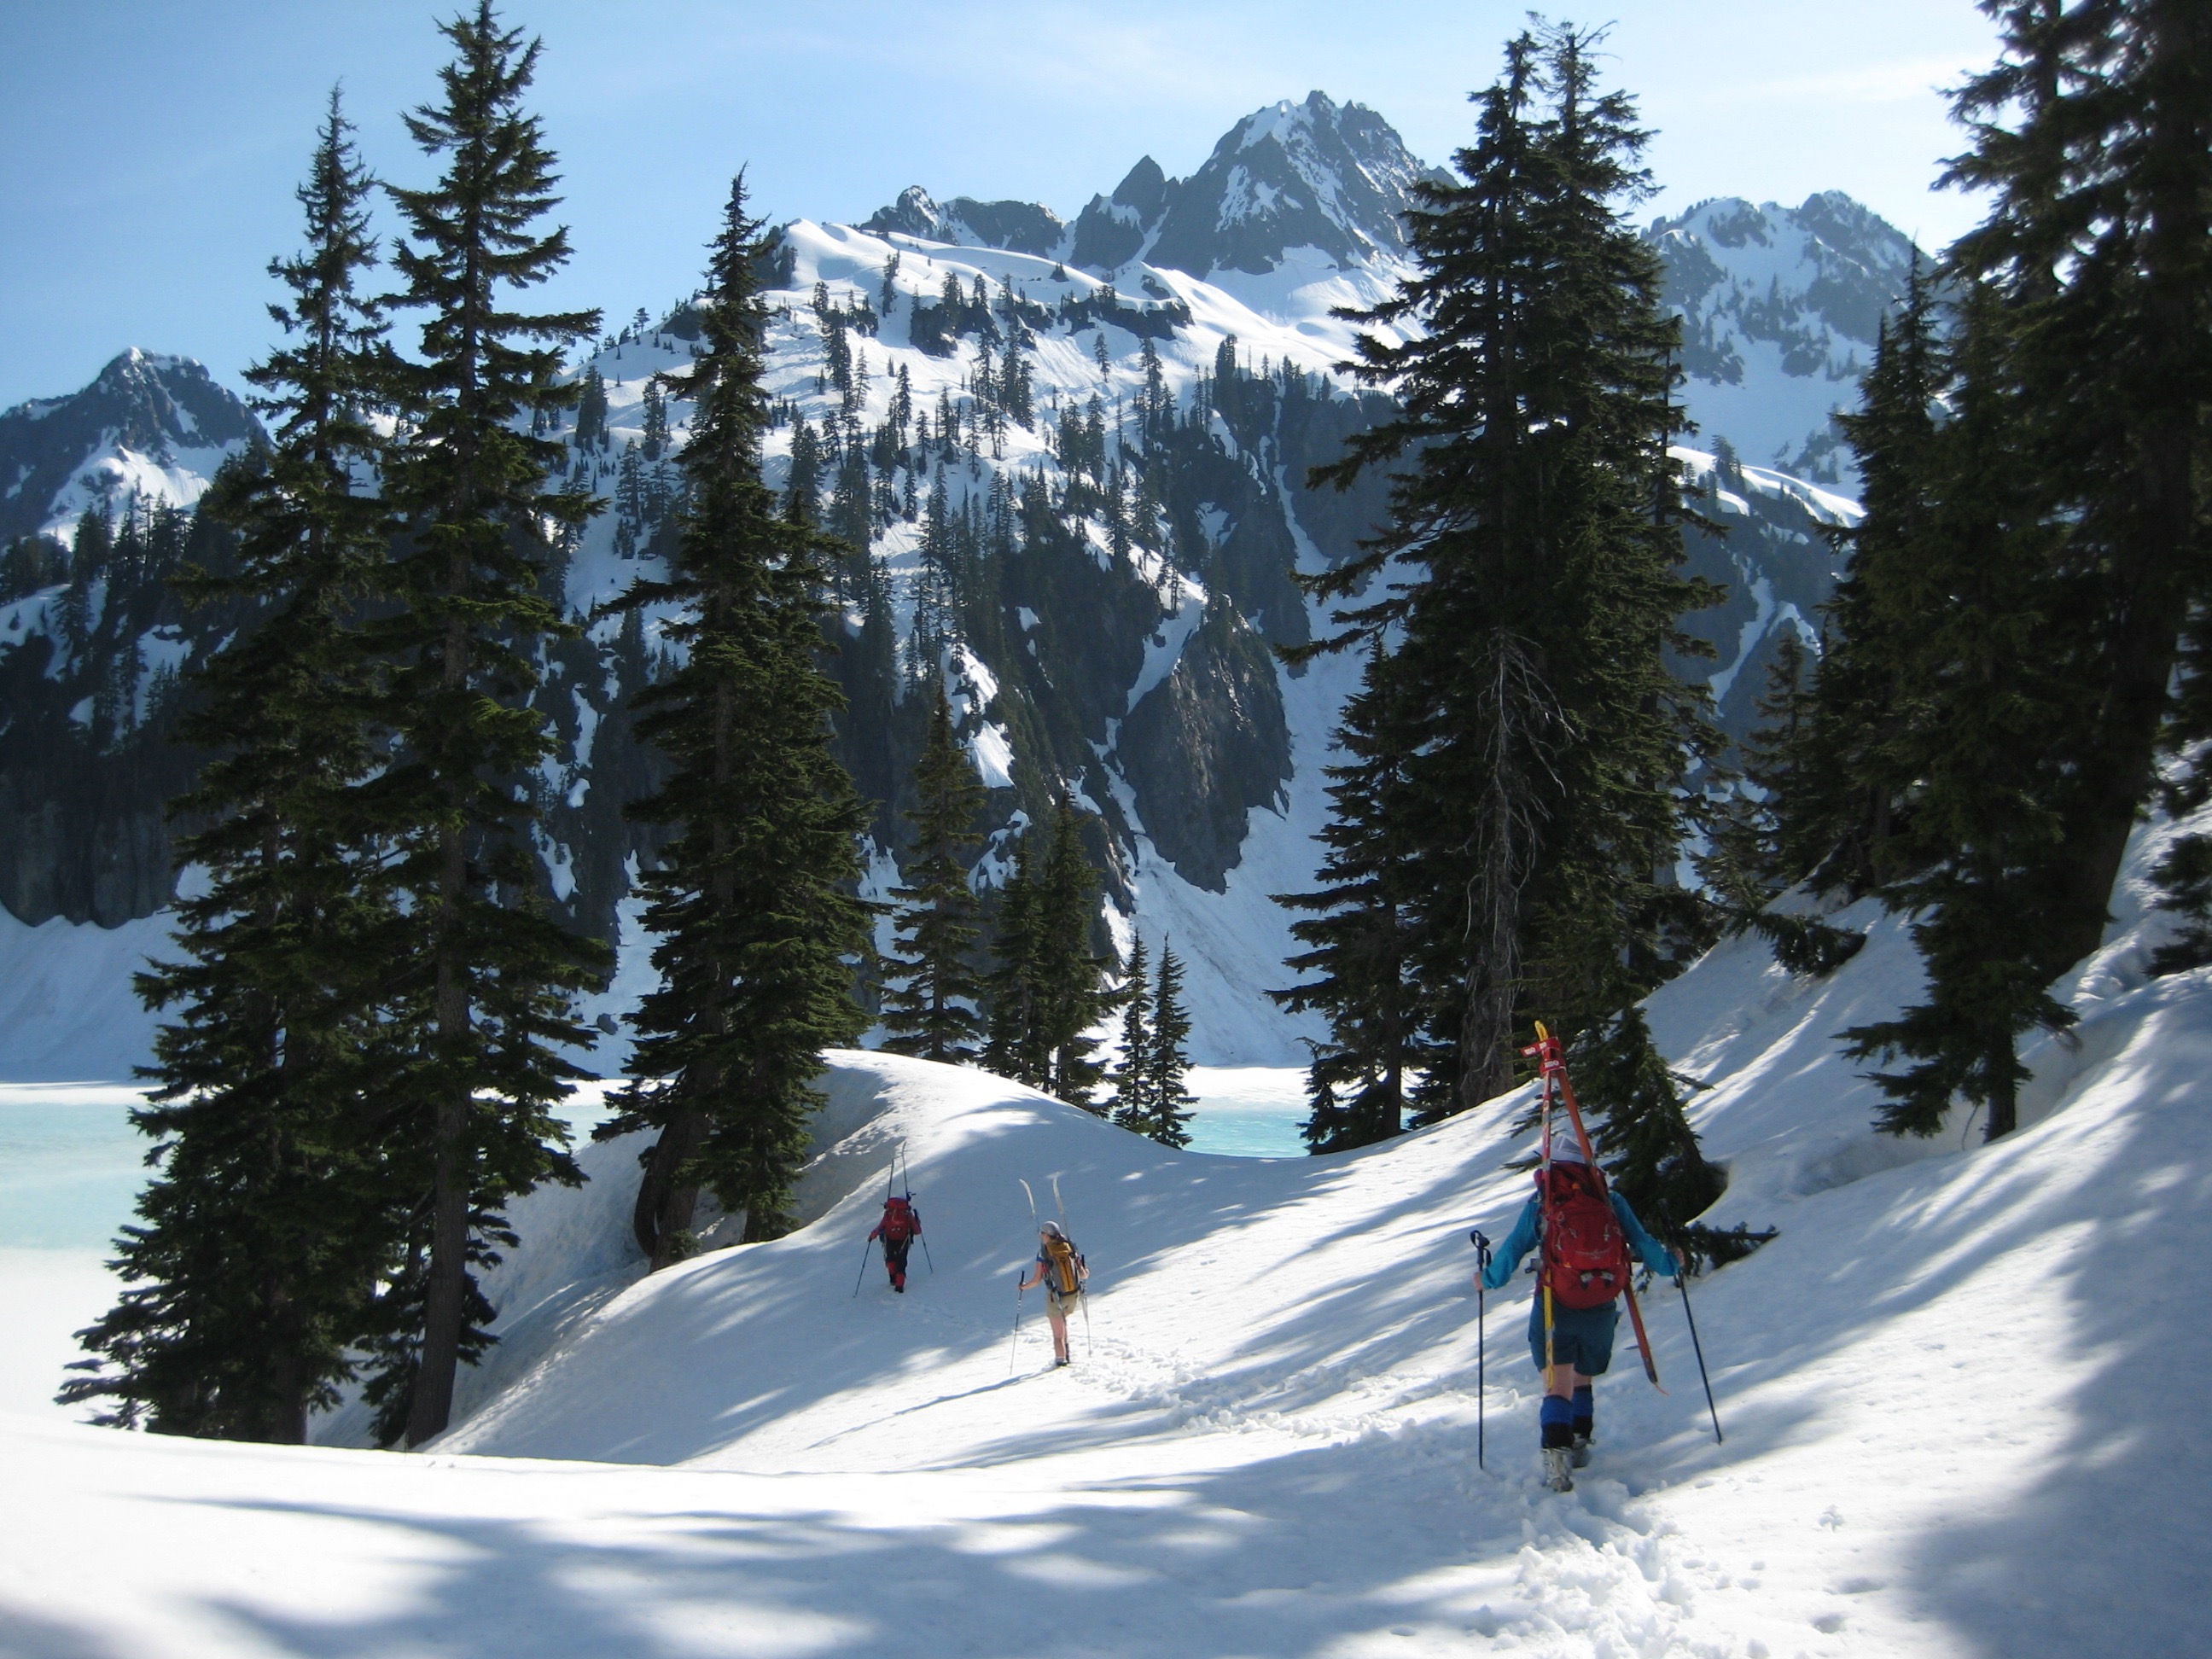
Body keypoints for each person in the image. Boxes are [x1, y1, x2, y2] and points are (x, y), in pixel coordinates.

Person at [1479, 1138, 1679, 1491]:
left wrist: (1488, 1279)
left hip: (1556, 1302)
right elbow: (1645, 1244)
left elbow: (1513, 1248)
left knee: (1557, 1380)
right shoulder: (1610, 1201)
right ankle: (1580, 1442)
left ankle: (1556, 1459)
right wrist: (1670, 1261)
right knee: (1584, 1375)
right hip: (1600, 1301)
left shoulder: (1544, 1203)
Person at [1017, 1220, 1087, 1367]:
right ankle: (1067, 1354)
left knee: (1057, 1334)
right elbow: (1084, 1274)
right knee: (1063, 1324)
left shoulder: (1043, 1253)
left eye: (1042, 1233)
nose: (1041, 1236)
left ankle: (1060, 1360)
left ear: (1046, 1235)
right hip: (1073, 1295)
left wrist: (1024, 1287)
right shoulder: (1070, 1247)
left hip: (1056, 1296)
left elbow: (1037, 1279)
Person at [868, 1193, 922, 1293]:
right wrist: (917, 1220)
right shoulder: (907, 1213)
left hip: (890, 1238)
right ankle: (899, 1286)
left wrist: (872, 1235)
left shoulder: (889, 1212)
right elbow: (917, 1231)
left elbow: (881, 1225)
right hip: (904, 1239)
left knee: (890, 1258)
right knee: (901, 1262)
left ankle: (893, 1278)